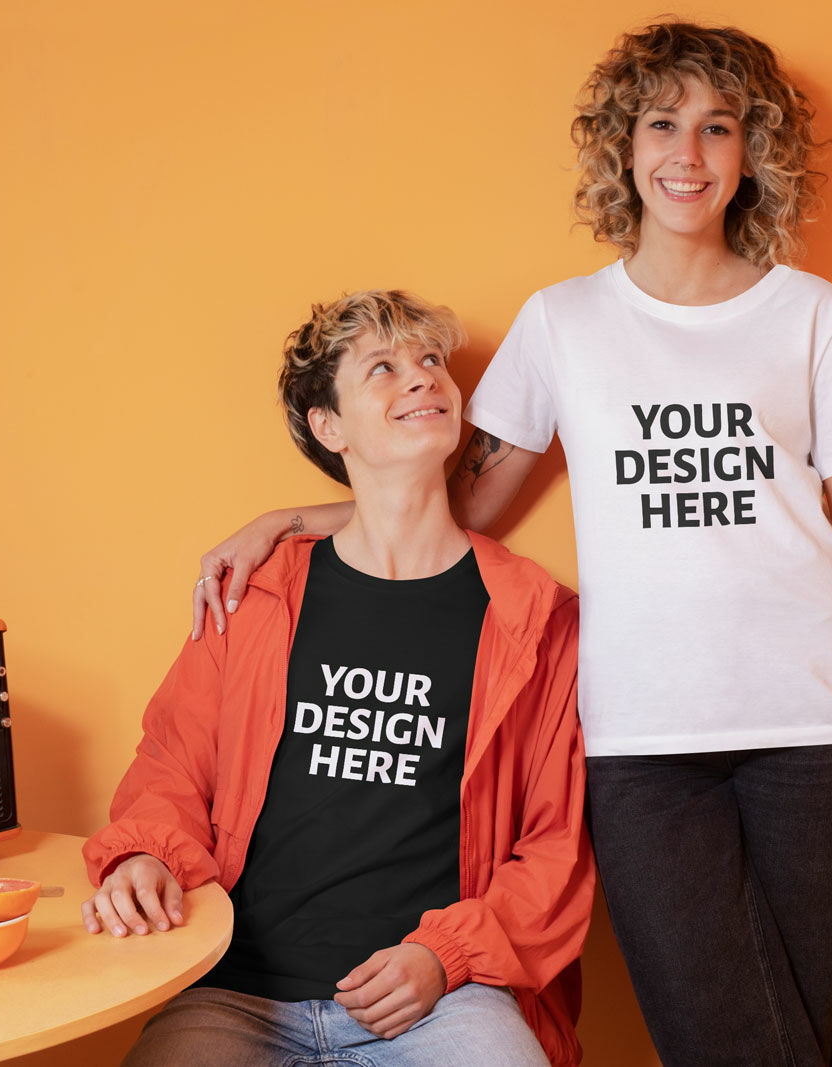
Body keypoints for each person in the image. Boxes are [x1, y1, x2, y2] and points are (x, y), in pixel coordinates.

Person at [192, 22, 832, 1067]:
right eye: (662, 124)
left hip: (823, 733)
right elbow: (469, 506)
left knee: (811, 1037)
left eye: (717, 127)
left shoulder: (813, 317)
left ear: (751, 151)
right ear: (623, 150)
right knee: (724, 1039)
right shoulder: (563, 324)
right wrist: (292, 519)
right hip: (640, 749)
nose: (688, 153)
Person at [83, 290, 592, 1067]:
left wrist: (445, 956)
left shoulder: (534, 619)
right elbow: (173, 764)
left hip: (443, 1000)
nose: (423, 378)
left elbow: (555, 846)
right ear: (330, 426)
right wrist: (146, 855)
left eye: (431, 361)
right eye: (383, 368)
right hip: (238, 990)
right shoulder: (256, 595)